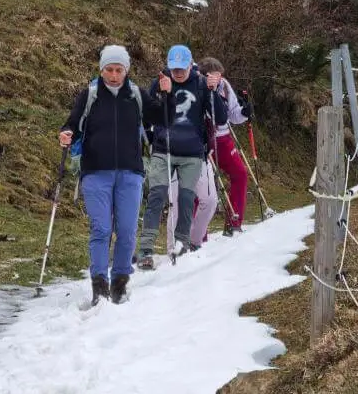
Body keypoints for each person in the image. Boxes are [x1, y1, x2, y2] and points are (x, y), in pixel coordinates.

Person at [59, 45, 161, 305]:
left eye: (119, 70)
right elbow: (73, 123)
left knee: (127, 231)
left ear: (126, 70)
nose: (114, 75)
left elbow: (162, 116)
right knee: (101, 229)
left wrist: (167, 94)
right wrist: (66, 133)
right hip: (95, 172)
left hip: (131, 172)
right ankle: (99, 286)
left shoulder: (137, 94)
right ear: (101, 69)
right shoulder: (89, 95)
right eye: (109, 70)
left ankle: (120, 282)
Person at [135, 44, 227, 270]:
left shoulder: (201, 83)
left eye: (181, 68)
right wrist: (162, 96)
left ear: (190, 64)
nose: (177, 73)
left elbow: (221, 118)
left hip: (192, 152)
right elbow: (148, 113)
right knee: (157, 196)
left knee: (186, 199)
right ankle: (146, 249)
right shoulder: (160, 82)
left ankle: (182, 244)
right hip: (163, 148)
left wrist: (214, 91)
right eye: (173, 68)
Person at [197, 57, 252, 236]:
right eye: (214, 75)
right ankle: (197, 234)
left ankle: (234, 222)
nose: (218, 79)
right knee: (202, 186)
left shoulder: (225, 86)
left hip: (223, 138)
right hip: (202, 140)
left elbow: (233, 114)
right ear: (205, 75)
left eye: (220, 75)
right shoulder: (195, 85)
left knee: (240, 173)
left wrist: (244, 113)